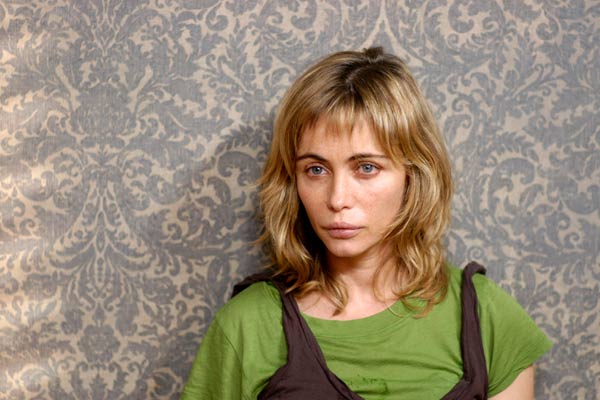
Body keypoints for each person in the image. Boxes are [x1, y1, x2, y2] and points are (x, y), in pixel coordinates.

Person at [181, 47, 552, 399]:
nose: (337, 199)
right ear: (292, 181)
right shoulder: (248, 325)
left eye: (367, 168)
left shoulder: (486, 317)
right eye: (316, 169)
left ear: (413, 174)